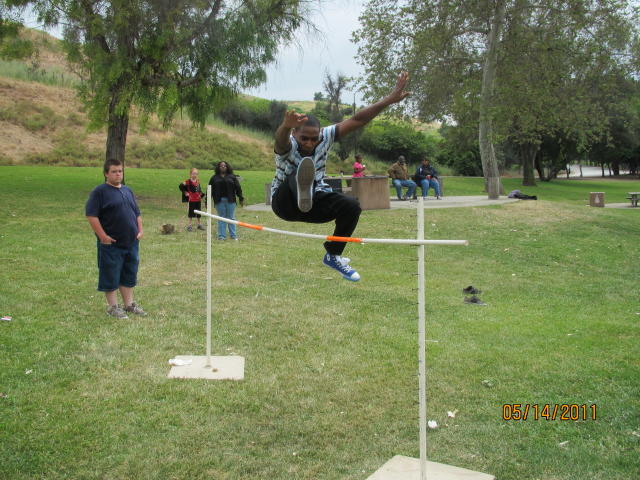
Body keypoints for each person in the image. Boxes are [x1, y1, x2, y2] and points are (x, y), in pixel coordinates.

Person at [270, 71, 410, 282]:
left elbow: (358, 119)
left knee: (351, 206)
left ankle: (333, 254)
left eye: (314, 139)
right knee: (298, 172)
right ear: (294, 134)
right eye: (304, 138)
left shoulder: (325, 136)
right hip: (284, 204)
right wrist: (285, 126)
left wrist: (389, 99)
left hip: (314, 207)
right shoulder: (287, 144)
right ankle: (302, 189)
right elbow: (280, 141)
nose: (309, 143)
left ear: (320, 135)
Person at [85, 158, 146, 319]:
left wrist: (140, 231)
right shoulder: (100, 192)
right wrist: (103, 236)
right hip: (111, 243)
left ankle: (129, 304)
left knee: (129, 272)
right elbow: (91, 215)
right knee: (110, 273)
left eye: (120, 171)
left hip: (131, 242)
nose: (118, 174)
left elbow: (137, 213)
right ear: (106, 173)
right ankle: (113, 307)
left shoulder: (127, 190)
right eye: (114, 171)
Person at [208, 161, 244, 241]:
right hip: (219, 201)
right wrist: (207, 201)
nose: (223, 167)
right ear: (218, 167)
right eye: (221, 166)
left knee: (231, 218)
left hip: (231, 200)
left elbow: (238, 188)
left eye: (224, 166)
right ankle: (221, 236)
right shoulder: (214, 178)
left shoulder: (232, 177)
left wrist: (241, 198)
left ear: (227, 167)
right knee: (221, 218)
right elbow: (209, 189)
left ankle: (233, 236)